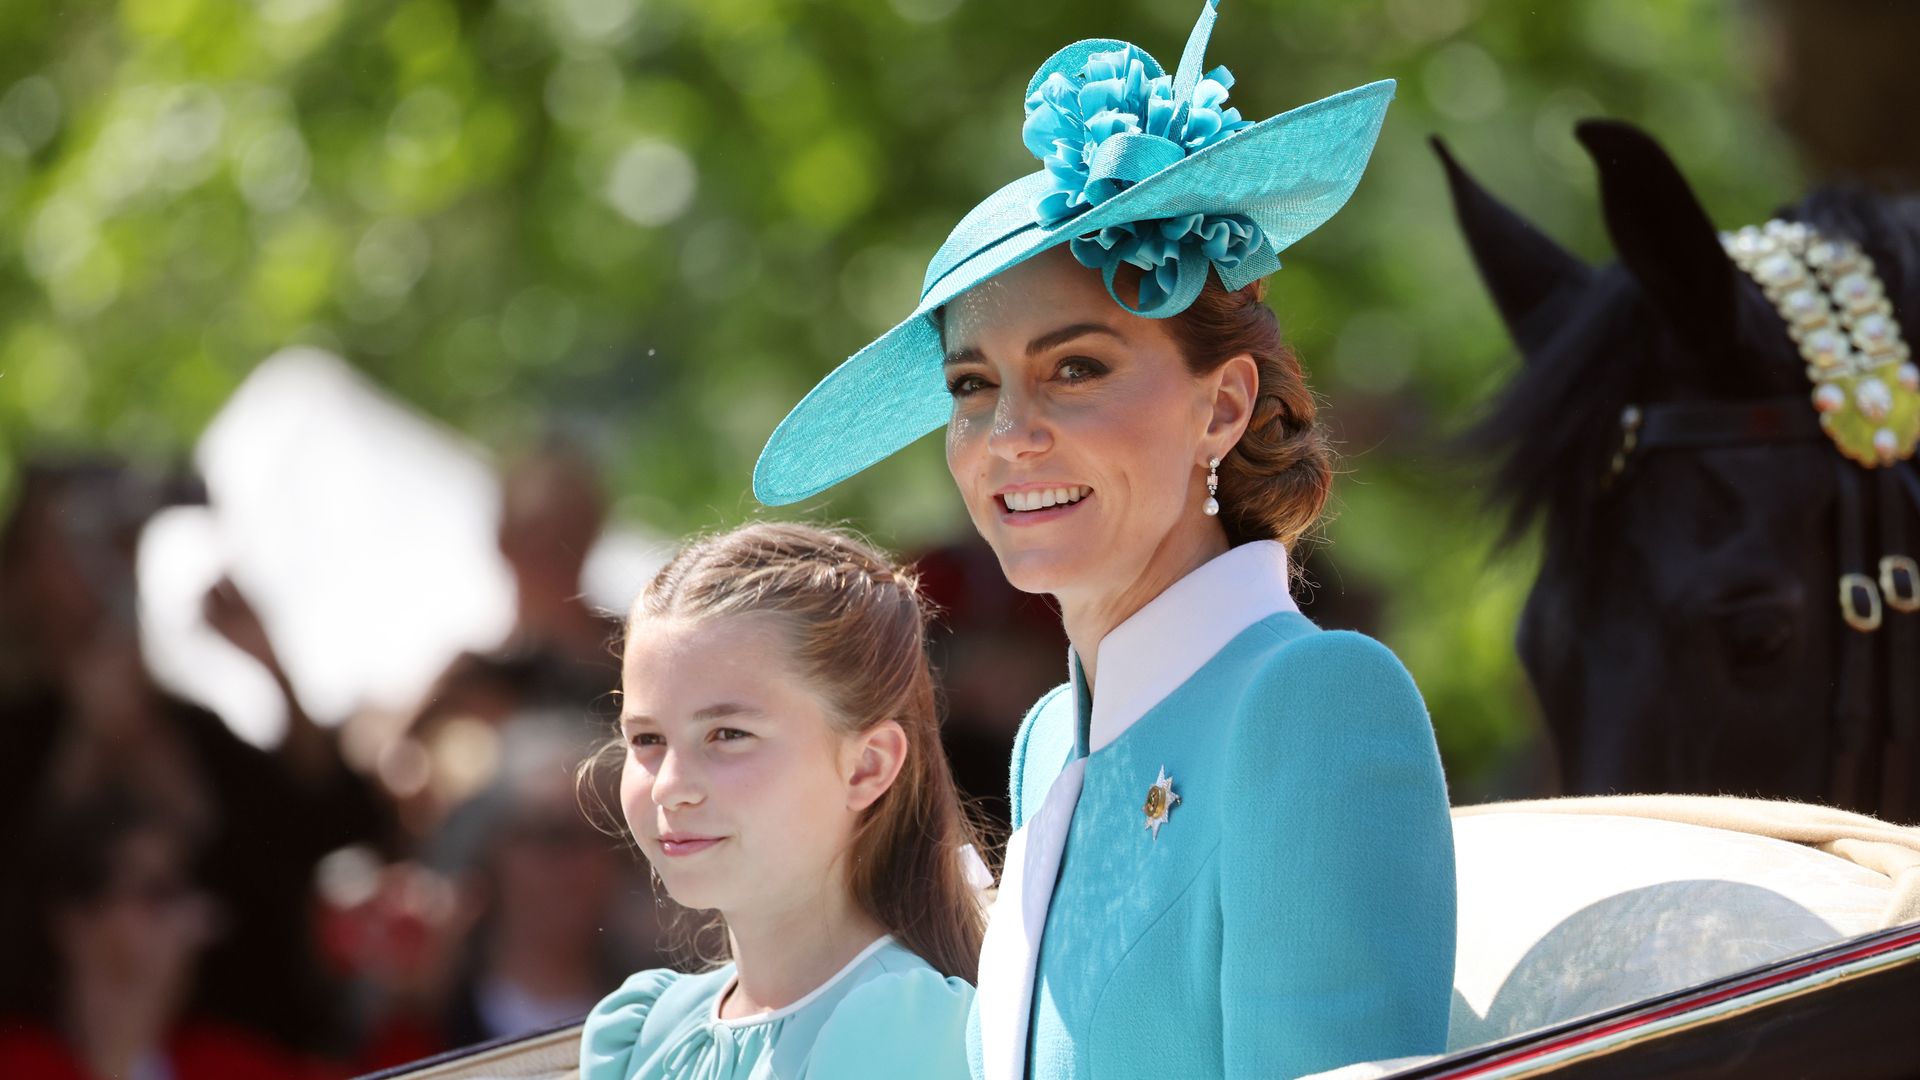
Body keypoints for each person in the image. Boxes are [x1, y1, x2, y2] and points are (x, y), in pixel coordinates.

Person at [751, 3, 1456, 1078]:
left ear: (1221, 408)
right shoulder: (1048, 742)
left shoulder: (1316, 699)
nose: (1008, 436)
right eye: (972, 386)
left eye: (1075, 368)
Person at [578, 523, 982, 1080]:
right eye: (646, 739)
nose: (670, 786)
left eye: (727, 734)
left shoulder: (896, 1031)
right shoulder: (645, 1032)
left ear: (868, 765)